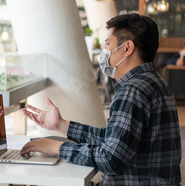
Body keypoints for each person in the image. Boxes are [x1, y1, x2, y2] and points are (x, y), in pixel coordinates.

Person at [21, 13, 181, 185]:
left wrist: (57, 148)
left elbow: (110, 159)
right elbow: (115, 140)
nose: (104, 52)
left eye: (108, 44)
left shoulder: (133, 91)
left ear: (127, 48)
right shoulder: (154, 82)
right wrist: (60, 125)